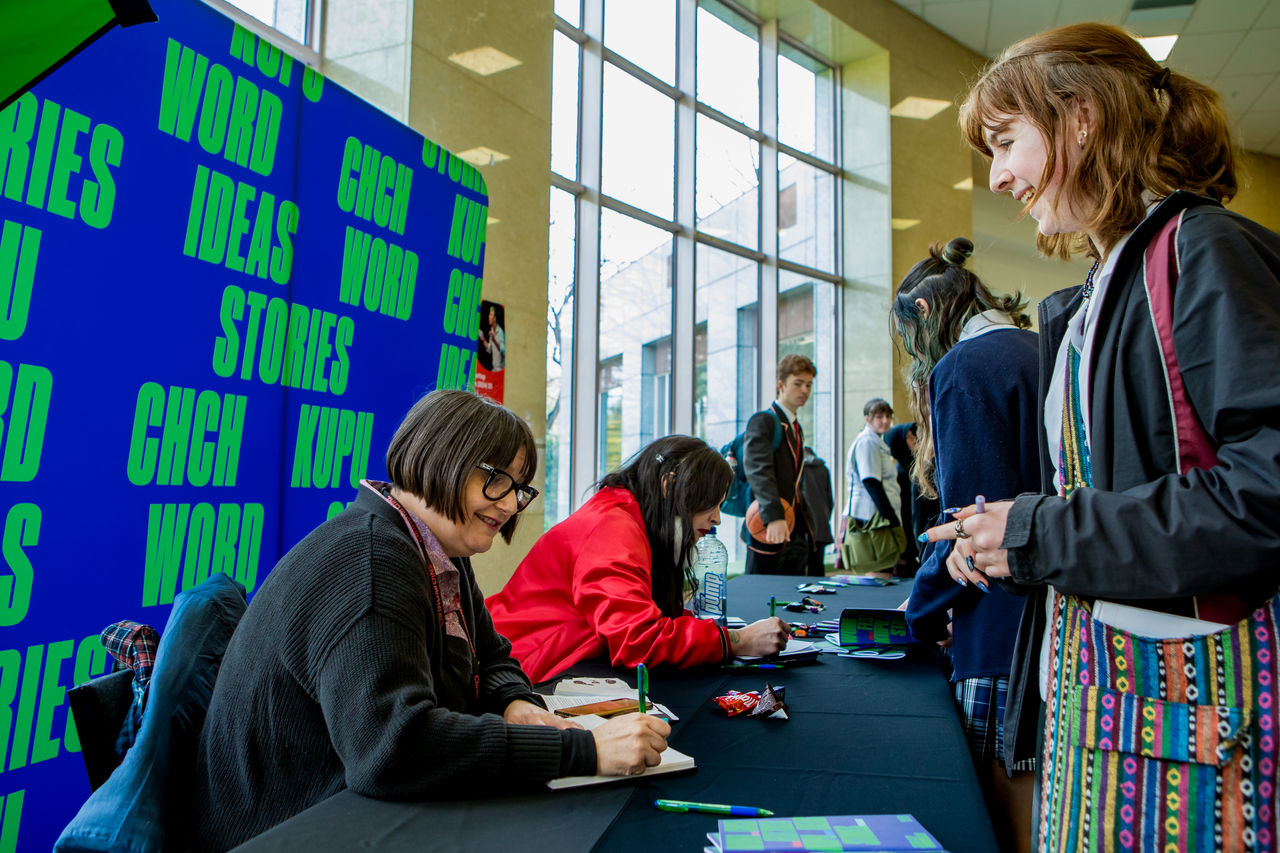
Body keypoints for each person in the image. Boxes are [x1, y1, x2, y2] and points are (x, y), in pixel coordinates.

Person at [925, 22, 1280, 851]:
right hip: (1113, 719)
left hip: (1190, 735)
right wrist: (1010, 542)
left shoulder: (1203, 251)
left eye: (1007, 141)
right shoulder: (1093, 297)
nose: (999, 175)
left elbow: (1261, 500)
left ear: (1082, 117)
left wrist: (1041, 531)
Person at [194, 390, 669, 851]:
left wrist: (514, 704)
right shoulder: (372, 562)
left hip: (353, 808)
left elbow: (493, 655)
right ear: (440, 458)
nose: (508, 505)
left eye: (518, 488)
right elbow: (392, 748)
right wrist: (584, 752)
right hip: (288, 827)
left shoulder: (435, 548)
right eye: (496, 479)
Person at [893, 237, 1039, 853]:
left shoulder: (964, 369)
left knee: (1000, 818)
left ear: (925, 315)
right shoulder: (1043, 348)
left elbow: (969, 530)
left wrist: (919, 616)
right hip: (1060, 616)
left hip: (998, 628)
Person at [488, 435, 790, 683]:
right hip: (522, 669)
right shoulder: (614, 527)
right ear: (670, 485)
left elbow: (645, 619)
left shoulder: (626, 514)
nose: (717, 519)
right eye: (712, 503)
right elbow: (637, 639)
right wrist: (736, 641)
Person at [741, 354, 819, 575]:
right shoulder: (763, 420)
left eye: (808, 385)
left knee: (789, 598)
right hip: (767, 525)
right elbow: (758, 470)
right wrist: (774, 517)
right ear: (780, 385)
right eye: (798, 383)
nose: (804, 390)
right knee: (761, 597)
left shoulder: (795, 427)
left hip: (793, 529)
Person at [839, 398, 904, 575]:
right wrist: (891, 519)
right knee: (879, 570)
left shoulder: (875, 441)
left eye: (888, 416)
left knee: (882, 570)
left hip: (874, 515)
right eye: (879, 416)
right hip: (871, 518)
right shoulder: (867, 442)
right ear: (867, 419)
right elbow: (871, 482)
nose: (885, 421)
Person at [479, 303, 505, 371]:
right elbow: (489, 349)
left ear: (495, 318)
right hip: (494, 369)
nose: (488, 316)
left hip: (500, 369)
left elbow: (503, 351)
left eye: (490, 314)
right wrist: (483, 339)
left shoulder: (500, 332)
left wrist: (494, 340)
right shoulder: (492, 330)